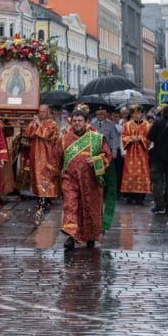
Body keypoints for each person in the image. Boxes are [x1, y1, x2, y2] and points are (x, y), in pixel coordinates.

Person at [55, 105, 111, 249]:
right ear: (71, 122)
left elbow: (107, 155)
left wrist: (97, 160)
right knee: (70, 206)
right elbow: (57, 158)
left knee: (90, 209)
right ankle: (71, 236)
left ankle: (90, 236)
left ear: (86, 122)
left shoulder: (97, 138)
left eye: (80, 120)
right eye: (75, 121)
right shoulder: (64, 139)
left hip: (91, 181)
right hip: (70, 180)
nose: (77, 123)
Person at [24, 104, 62, 225]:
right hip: (35, 154)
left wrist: (39, 125)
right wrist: (34, 125)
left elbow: (49, 136)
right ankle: (40, 197)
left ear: (48, 112)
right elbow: (28, 134)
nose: (41, 113)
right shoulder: (35, 122)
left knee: (46, 176)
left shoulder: (52, 124)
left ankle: (46, 197)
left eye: (44, 111)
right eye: (40, 111)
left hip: (47, 154)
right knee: (37, 176)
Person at [147, 105, 168, 214]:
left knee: (157, 181)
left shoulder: (156, 123)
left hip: (157, 157)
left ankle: (159, 206)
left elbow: (150, 137)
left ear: (162, 113)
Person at [120, 105, 151, 204]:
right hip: (131, 153)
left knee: (142, 173)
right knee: (130, 172)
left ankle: (140, 197)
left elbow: (149, 139)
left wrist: (141, 139)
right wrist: (130, 139)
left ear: (142, 114)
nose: (137, 115)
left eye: (139, 113)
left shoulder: (147, 125)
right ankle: (130, 195)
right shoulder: (127, 125)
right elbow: (123, 136)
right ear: (132, 114)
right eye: (134, 113)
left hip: (142, 153)